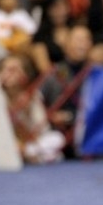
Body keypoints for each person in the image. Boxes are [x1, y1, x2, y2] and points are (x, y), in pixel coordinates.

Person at [39, 23, 94, 157]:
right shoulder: (54, 73)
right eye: (77, 39)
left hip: (88, 133)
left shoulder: (97, 74)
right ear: (66, 44)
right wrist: (49, 115)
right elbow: (37, 100)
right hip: (58, 134)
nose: (82, 44)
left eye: (85, 40)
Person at [0, 53, 64, 164]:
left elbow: (42, 129)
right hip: (3, 143)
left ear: (24, 74)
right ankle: (32, 155)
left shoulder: (33, 95)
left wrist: (27, 111)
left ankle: (26, 153)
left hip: (27, 143)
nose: (10, 74)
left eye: (15, 70)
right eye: (6, 70)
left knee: (57, 138)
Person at [29, 0, 74, 74]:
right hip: (57, 80)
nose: (61, 11)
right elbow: (44, 68)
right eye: (56, 7)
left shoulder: (77, 29)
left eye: (64, 5)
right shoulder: (40, 37)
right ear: (47, 10)